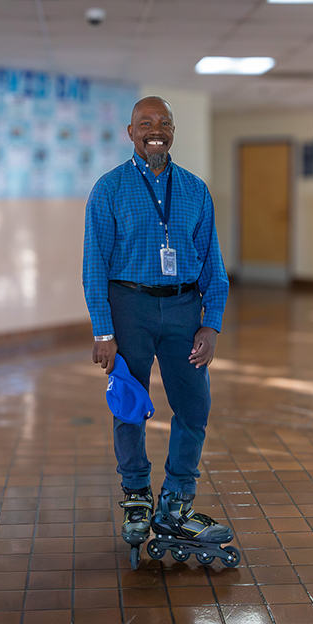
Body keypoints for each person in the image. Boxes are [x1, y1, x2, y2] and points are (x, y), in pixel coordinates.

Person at [82, 95, 233, 560]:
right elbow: (94, 266)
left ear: (172, 132)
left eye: (163, 123)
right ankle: (137, 496)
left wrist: (211, 324)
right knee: (130, 404)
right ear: (130, 133)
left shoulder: (195, 190)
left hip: (185, 309)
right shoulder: (108, 189)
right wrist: (104, 332)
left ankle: (176, 502)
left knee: (193, 407)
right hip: (130, 307)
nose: (155, 130)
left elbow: (214, 266)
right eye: (145, 123)